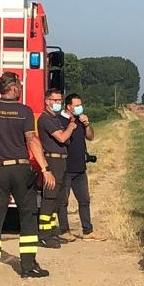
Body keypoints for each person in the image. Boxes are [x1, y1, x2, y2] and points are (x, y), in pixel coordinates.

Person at [0, 73, 54, 281]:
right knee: (28, 215)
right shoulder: (24, 111)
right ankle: (28, 266)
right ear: (14, 88)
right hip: (21, 169)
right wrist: (45, 168)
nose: (22, 89)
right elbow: (31, 141)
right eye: (20, 86)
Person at [60, 93, 100, 239]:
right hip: (65, 167)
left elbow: (90, 137)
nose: (79, 108)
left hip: (80, 167)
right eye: (76, 105)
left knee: (84, 200)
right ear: (69, 106)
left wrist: (86, 124)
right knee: (63, 201)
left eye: (80, 105)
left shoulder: (80, 121)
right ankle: (64, 231)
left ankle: (88, 231)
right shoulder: (59, 120)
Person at [38, 90, 74, 247]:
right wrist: (71, 127)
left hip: (62, 161)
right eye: (56, 100)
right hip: (52, 160)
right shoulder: (46, 119)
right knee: (50, 198)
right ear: (47, 101)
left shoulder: (55, 119)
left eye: (60, 100)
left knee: (58, 199)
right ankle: (44, 233)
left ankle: (52, 231)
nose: (58, 103)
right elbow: (62, 137)